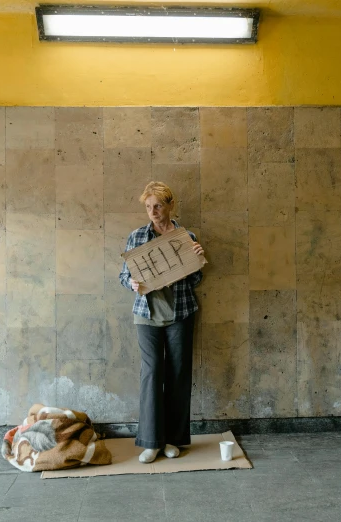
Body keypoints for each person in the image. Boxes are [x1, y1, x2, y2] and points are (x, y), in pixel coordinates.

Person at [119, 181, 204, 464]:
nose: (153, 212)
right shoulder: (136, 237)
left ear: (170, 205)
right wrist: (131, 282)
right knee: (152, 373)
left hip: (180, 312)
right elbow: (123, 276)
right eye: (148, 207)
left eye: (157, 206)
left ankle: (173, 440)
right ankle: (152, 442)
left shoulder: (184, 236)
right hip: (146, 315)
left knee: (178, 374)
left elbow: (195, 280)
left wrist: (198, 261)